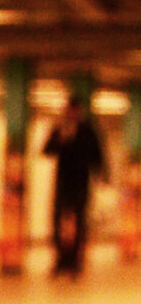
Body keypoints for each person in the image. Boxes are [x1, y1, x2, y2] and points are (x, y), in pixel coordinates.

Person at [45, 100, 107, 273]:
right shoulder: (60, 129)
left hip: (80, 180)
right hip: (63, 181)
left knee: (80, 219)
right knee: (58, 218)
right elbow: (47, 150)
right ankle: (60, 258)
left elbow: (97, 155)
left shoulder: (88, 131)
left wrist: (101, 175)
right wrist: (60, 140)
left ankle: (76, 259)